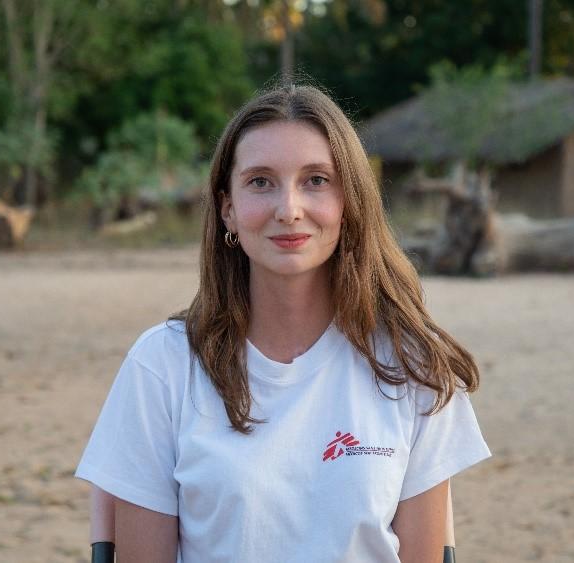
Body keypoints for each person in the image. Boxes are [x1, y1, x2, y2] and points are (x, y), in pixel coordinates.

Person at [74, 83, 491, 563]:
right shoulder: (162, 367)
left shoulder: (412, 365)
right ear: (227, 207)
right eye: (260, 181)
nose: (288, 209)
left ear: (349, 201)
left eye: (316, 180)